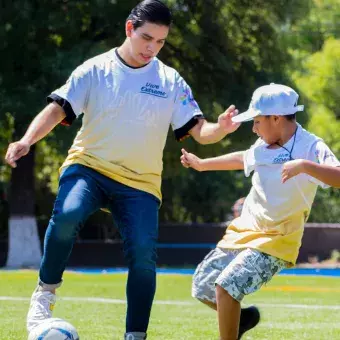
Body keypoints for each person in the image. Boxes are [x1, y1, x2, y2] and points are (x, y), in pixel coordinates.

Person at [4, 1, 241, 339]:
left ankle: (135, 335)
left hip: (140, 183)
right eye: (147, 38)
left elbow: (201, 131)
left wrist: (221, 128)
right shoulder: (95, 69)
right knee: (68, 214)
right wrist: (27, 140)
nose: (152, 48)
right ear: (129, 29)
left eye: (160, 42)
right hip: (90, 167)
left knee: (144, 256)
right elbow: (58, 110)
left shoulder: (170, 80)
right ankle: (44, 295)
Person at [180, 83, 340, 340]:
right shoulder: (262, 145)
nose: (253, 128)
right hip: (245, 230)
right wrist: (202, 165)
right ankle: (241, 319)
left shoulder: (311, 146)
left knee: (227, 286)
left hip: (277, 239)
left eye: (256, 121)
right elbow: (242, 158)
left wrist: (305, 166)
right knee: (203, 286)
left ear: (276, 118)